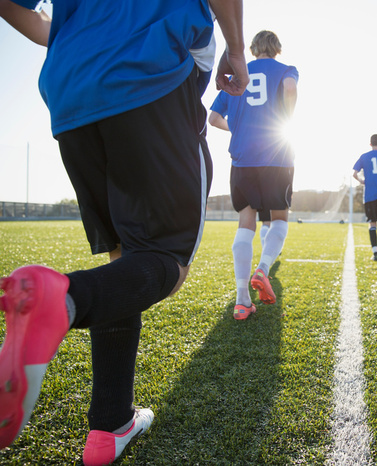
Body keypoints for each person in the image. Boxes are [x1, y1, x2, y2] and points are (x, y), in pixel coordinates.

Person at [0, 0, 249, 463]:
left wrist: (69, 35)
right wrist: (236, 49)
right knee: (167, 262)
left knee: (124, 261)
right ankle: (66, 299)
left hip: (71, 91)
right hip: (149, 74)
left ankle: (110, 425)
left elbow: (23, 14)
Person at [209, 30, 298, 320]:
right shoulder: (286, 69)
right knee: (280, 219)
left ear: (253, 48)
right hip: (276, 152)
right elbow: (289, 90)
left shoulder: (238, 74)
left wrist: (236, 128)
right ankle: (263, 268)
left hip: (243, 157)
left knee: (245, 223)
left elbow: (213, 118)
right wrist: (285, 117)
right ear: (277, 48)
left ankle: (241, 300)